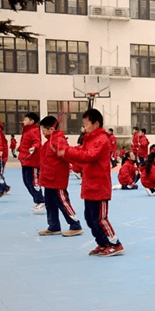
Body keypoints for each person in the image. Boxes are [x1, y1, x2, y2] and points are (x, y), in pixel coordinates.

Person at [57, 108, 125, 257]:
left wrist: (67, 152)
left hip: (99, 185)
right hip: (90, 184)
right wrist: (70, 160)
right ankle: (102, 243)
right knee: (90, 218)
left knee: (100, 218)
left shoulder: (101, 139)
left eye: (86, 123)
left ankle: (115, 243)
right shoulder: (90, 139)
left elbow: (89, 156)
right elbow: (82, 154)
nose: (84, 126)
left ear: (95, 124)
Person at [37, 116, 83, 237]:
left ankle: (75, 224)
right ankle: (54, 226)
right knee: (49, 203)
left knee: (62, 201)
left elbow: (67, 154)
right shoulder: (50, 141)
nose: (42, 133)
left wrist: (78, 166)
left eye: (43, 130)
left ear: (51, 129)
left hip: (57, 178)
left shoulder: (58, 140)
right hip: (48, 178)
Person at [18, 112, 45, 211]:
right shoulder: (26, 131)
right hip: (25, 159)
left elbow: (37, 142)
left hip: (33, 160)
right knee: (26, 182)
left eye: (26, 119)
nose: (23, 121)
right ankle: (38, 200)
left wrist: (34, 147)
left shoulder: (34, 130)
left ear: (32, 121)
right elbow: (25, 143)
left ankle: (41, 200)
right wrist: (20, 148)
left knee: (34, 182)